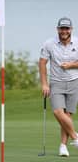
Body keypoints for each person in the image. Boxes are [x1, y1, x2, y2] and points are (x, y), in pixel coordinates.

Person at [39, 17, 78, 157]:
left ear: (71, 30)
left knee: (67, 116)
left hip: (74, 82)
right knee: (57, 112)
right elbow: (42, 63)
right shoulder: (49, 44)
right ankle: (76, 138)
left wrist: (71, 65)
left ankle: (63, 146)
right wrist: (44, 83)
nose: (64, 31)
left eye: (67, 28)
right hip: (56, 82)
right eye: (62, 28)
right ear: (57, 29)